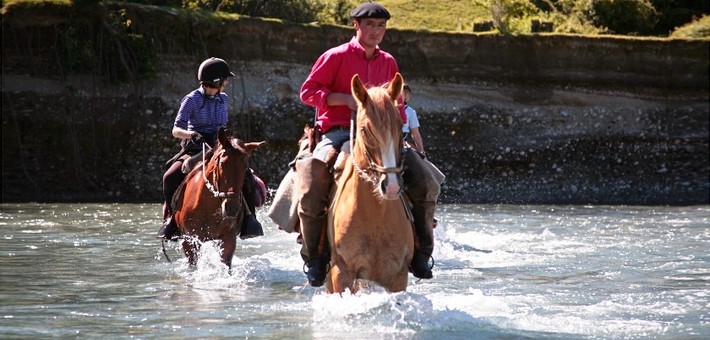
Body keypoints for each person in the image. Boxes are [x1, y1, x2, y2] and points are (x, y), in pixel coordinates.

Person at [298, 2, 441, 287]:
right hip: (338, 132)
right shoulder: (335, 56)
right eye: (370, 25)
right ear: (356, 26)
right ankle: (315, 256)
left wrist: (400, 132)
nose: (376, 31)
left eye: (381, 26)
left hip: (385, 136)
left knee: (426, 180)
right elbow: (308, 92)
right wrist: (345, 100)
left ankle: (421, 252)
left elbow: (396, 104)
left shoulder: (388, 61)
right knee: (311, 183)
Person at [157, 57, 263, 241]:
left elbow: (223, 125)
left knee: (246, 175)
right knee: (170, 176)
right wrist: (192, 135)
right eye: (225, 79)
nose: (227, 83)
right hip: (195, 146)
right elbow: (176, 130)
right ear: (216, 81)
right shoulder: (191, 100)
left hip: (218, 145)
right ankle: (171, 221)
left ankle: (249, 219)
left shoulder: (223, 98)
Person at [402, 83, 426, 155]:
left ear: (406, 96)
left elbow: (415, 134)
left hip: (402, 143)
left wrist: (422, 151)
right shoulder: (386, 110)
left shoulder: (410, 112)